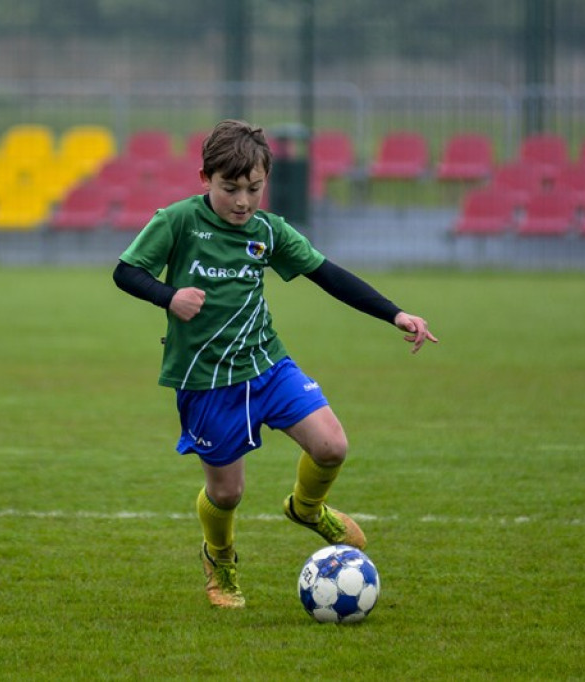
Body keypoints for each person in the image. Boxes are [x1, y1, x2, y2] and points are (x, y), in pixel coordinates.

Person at [112, 120, 437, 609]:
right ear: (205, 178)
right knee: (226, 495)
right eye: (230, 189)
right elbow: (125, 271)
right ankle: (220, 560)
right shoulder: (178, 221)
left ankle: (307, 508)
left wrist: (394, 313)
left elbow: (327, 275)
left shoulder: (267, 231)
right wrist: (169, 296)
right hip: (207, 380)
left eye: (254, 189)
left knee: (332, 446)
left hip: (267, 364)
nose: (243, 201)